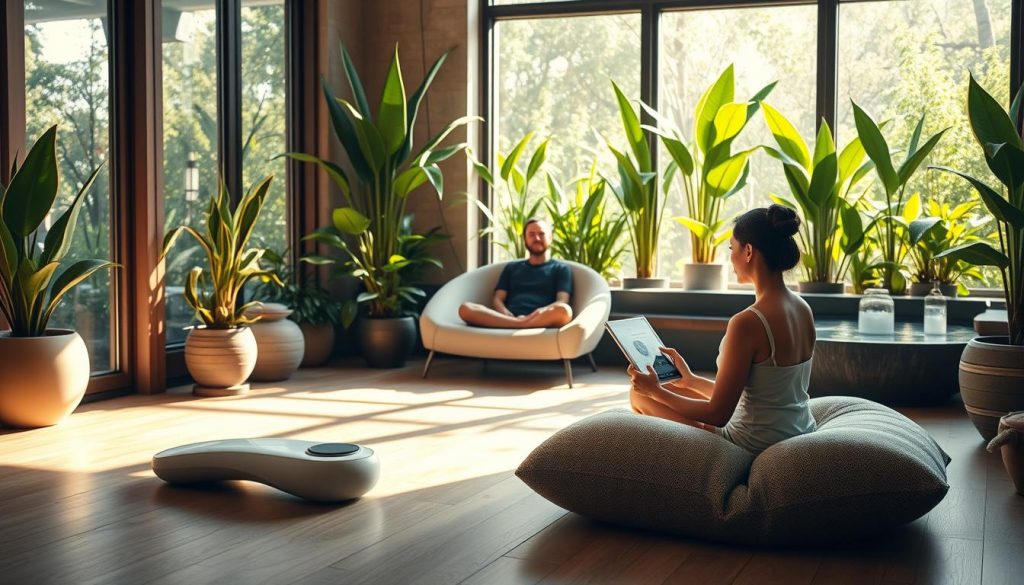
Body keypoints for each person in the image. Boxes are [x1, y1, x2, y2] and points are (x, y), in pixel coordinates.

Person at [628, 204, 817, 453]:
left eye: (731, 248)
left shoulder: (748, 322)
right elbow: (764, 392)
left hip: (754, 443)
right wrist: (691, 381)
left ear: (748, 251)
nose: (730, 258)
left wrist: (655, 391)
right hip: (798, 428)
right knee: (668, 388)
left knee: (640, 395)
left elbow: (718, 414)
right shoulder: (802, 308)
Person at [458, 218, 574, 329]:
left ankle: (519, 324)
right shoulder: (512, 268)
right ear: (525, 239)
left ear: (550, 237)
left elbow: (562, 301)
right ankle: (520, 324)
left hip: (540, 318)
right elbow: (498, 299)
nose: (537, 238)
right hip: (508, 317)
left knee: (564, 311)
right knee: (465, 308)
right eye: (531, 234)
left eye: (541, 234)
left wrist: (538, 313)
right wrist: (505, 313)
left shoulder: (561, 269)